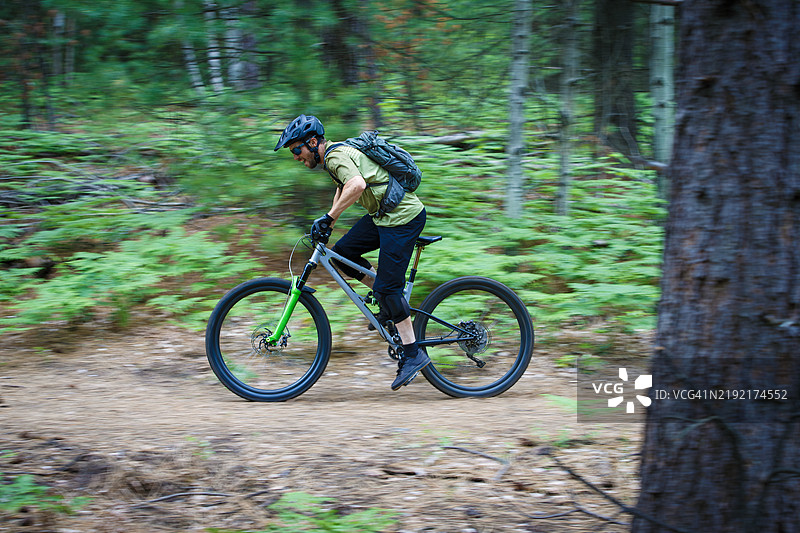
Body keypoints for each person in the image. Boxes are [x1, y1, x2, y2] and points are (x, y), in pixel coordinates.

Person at [274, 114, 430, 391]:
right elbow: (343, 186)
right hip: (384, 215)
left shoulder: (335, 156)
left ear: (312, 142)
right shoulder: (334, 158)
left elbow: (356, 186)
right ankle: (384, 300)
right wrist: (329, 223)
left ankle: (412, 352)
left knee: (389, 288)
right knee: (343, 253)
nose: (296, 156)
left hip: (403, 217)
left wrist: (329, 216)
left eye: (297, 150)